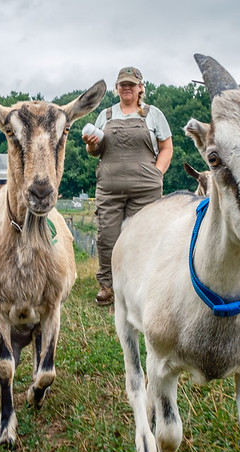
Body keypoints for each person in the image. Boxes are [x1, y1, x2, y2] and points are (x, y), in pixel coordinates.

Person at [82, 66, 173, 306]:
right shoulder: (106, 115)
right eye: (123, 84)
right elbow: (95, 151)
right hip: (109, 189)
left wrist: (157, 173)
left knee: (144, 237)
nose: (127, 88)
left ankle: (142, 285)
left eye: (131, 84)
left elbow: (166, 148)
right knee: (107, 237)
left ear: (141, 87)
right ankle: (107, 286)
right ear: (117, 88)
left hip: (146, 190)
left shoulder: (154, 115)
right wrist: (91, 145)